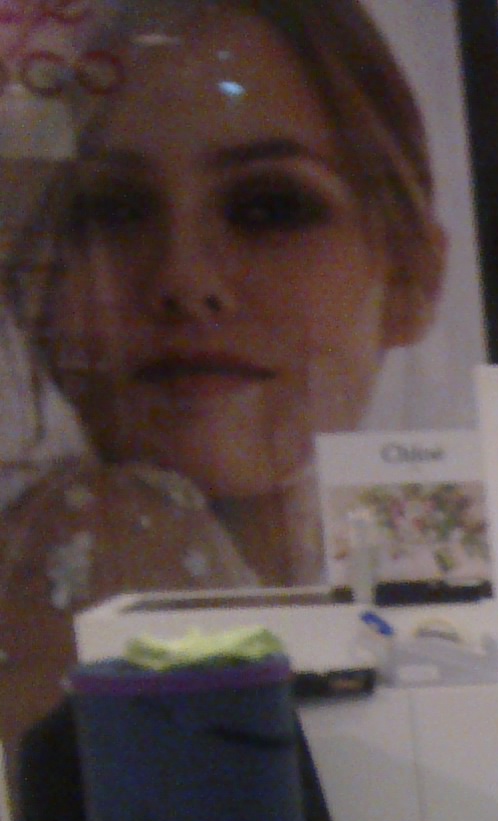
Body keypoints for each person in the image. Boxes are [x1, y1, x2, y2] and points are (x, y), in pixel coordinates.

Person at [0, 0, 449, 747]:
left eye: (268, 208)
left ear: (412, 276)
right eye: (114, 210)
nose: (185, 280)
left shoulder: (370, 546)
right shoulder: (104, 538)